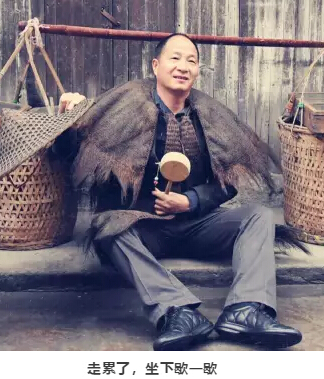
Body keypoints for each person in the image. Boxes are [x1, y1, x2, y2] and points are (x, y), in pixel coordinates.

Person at [27, 33, 307, 351]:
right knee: (106, 226)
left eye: (191, 60)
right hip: (143, 228)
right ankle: (177, 312)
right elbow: (65, 154)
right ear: (156, 66)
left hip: (196, 224)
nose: (183, 66)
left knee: (257, 216)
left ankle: (246, 310)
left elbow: (228, 183)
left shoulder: (211, 116)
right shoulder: (123, 105)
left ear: (197, 70)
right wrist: (68, 121)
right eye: (175, 58)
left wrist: (191, 201)